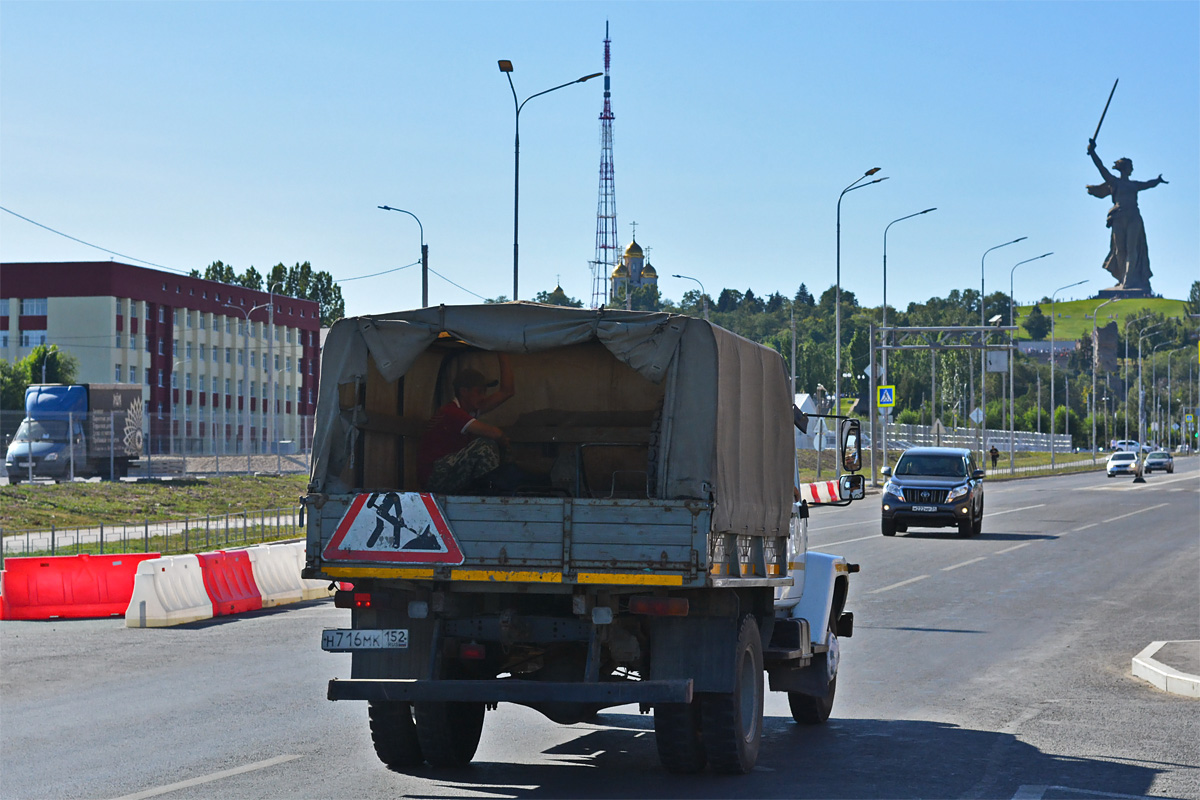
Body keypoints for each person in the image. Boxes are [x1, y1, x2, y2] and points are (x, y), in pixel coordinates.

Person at [417, 354, 515, 493]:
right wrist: (502, 440)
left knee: (495, 447)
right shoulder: (451, 412)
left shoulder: (470, 411)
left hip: (450, 473)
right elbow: (494, 433)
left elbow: (507, 391)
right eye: (479, 392)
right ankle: (490, 493)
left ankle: (497, 489)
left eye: (485, 392)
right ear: (464, 392)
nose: (483, 397)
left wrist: (503, 353)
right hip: (435, 477)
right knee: (485, 445)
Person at [1086, 139, 1167, 291]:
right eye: (1131, 167)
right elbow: (1101, 168)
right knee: (1119, 250)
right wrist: (1092, 152)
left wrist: (1157, 180)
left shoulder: (1133, 185)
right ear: (1125, 168)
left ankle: (1129, 281)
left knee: (1132, 249)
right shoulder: (1114, 182)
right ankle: (1124, 278)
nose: (1133, 169)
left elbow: (1147, 184)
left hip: (1133, 218)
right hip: (1119, 217)